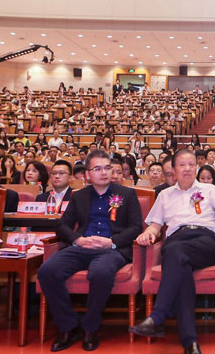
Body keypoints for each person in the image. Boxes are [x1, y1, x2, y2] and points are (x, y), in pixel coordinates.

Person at [129, 150, 215, 354]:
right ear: (174, 169)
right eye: (182, 165)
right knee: (180, 266)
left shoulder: (209, 189)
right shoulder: (165, 195)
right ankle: (190, 343)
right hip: (176, 242)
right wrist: (146, 234)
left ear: (196, 167)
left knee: (174, 251)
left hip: (205, 242)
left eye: (191, 165)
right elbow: (155, 226)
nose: (187, 169)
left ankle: (157, 316)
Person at [37, 150, 143, 352]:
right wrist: (78, 239)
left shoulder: (127, 194)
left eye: (107, 168)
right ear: (87, 174)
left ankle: (90, 327)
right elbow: (62, 225)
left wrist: (110, 242)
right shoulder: (79, 196)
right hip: (82, 247)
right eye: (97, 169)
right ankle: (68, 326)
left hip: (111, 249)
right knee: (47, 271)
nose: (104, 172)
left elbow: (136, 227)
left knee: (100, 272)